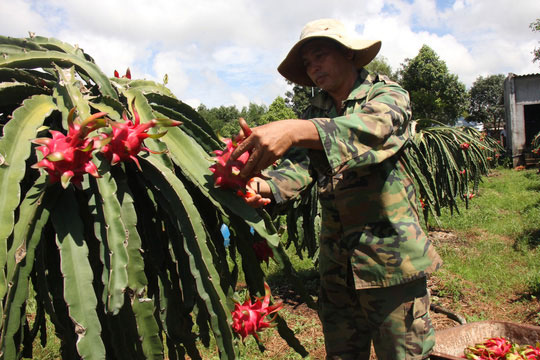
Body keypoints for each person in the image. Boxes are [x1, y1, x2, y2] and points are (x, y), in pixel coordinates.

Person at [229, 18, 442, 360]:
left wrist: (297, 129)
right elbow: (298, 166)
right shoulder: (315, 111)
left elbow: (371, 130)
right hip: (337, 268)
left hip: (392, 262)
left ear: (348, 55)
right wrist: (263, 186)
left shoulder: (387, 94)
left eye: (320, 56)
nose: (313, 68)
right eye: (307, 64)